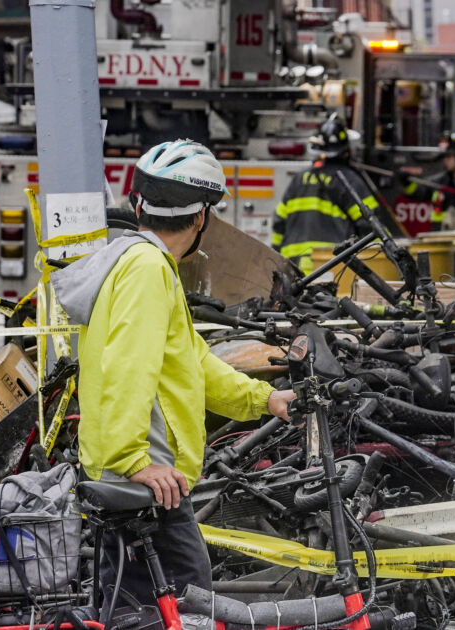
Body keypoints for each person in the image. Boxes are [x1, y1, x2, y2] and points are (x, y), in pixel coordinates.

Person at [52, 139, 297, 604]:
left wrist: (263, 399)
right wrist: (134, 461)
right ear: (202, 216)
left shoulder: (139, 262)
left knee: (132, 605)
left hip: (136, 475)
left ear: (138, 204)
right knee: (187, 599)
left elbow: (191, 361)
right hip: (147, 481)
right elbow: (129, 366)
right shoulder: (146, 271)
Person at [272, 114, 379, 273]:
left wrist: (275, 256)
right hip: (331, 266)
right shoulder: (349, 180)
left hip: (292, 265)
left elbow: (279, 222)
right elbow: (372, 226)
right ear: (345, 150)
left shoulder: (300, 179)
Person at [400, 132, 455, 230]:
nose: (445, 160)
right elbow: (419, 192)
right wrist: (407, 183)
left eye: (449, 156)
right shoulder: (440, 182)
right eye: (445, 156)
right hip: (441, 235)